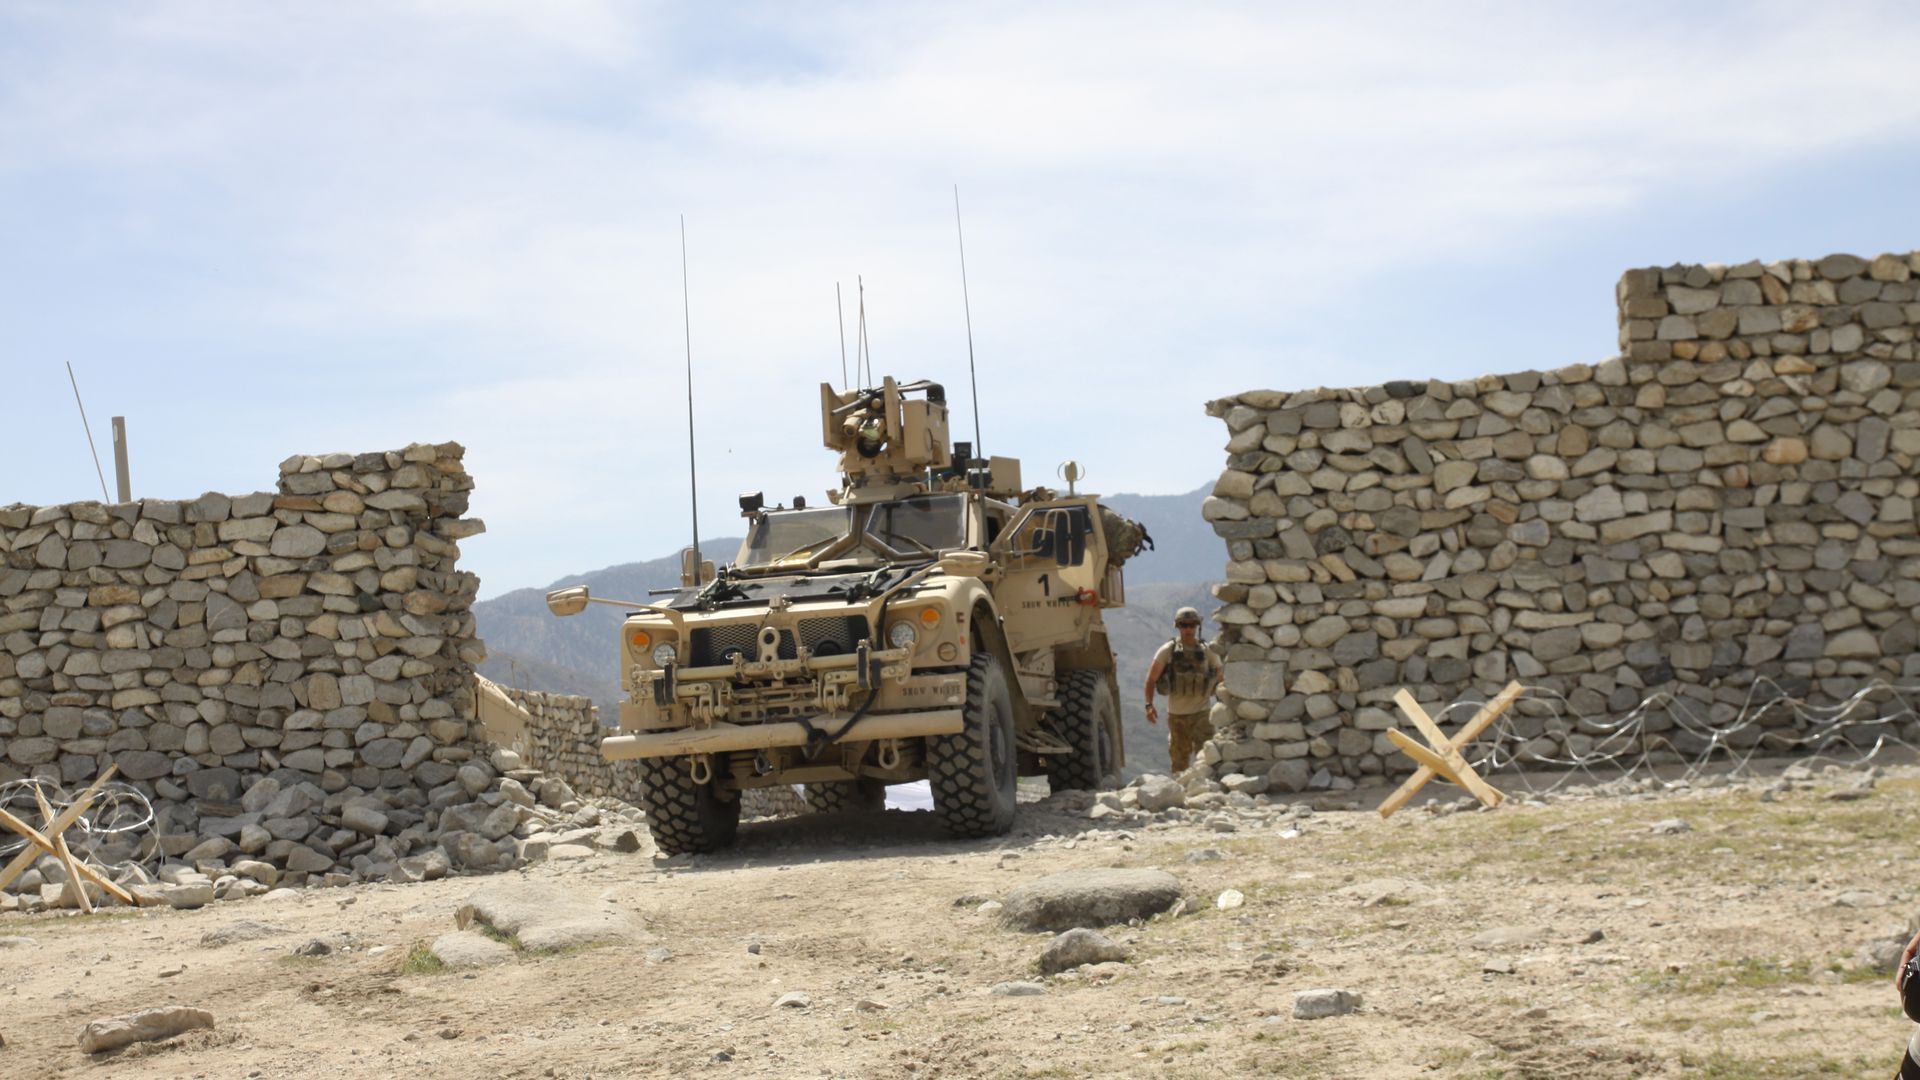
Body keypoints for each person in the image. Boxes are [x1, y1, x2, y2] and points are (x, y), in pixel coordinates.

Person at [1143, 606, 1224, 773]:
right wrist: (1149, 705)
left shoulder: (1208, 651)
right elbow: (1151, 679)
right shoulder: (1167, 650)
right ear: (1178, 626)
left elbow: (1220, 677)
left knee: (1208, 760)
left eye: (1192, 625)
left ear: (1197, 626)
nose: (1188, 629)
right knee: (1179, 763)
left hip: (1202, 714)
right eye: (1184, 625)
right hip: (1177, 716)